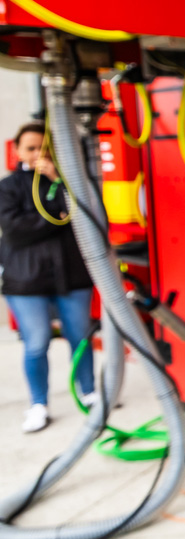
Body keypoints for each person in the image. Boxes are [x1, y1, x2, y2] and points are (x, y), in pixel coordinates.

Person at [0, 122, 95, 433]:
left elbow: (84, 216)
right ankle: (38, 404)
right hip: (26, 281)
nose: (37, 154)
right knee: (36, 343)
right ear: (17, 151)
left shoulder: (68, 182)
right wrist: (56, 219)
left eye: (43, 148)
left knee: (80, 338)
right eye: (30, 148)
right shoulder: (8, 188)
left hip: (72, 276)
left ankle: (89, 392)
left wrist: (57, 180)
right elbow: (15, 230)